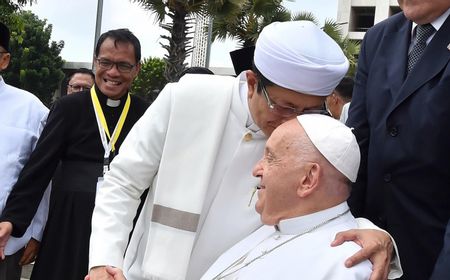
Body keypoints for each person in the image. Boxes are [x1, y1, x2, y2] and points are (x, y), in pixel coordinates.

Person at [88, 21, 399, 280]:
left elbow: (331, 197)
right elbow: (123, 182)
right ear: (252, 83)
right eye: (284, 106)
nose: (293, 121)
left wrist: (369, 230)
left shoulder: (314, 134)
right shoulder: (188, 97)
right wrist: (104, 260)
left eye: (308, 110)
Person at [0, 28, 149, 280]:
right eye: (105, 63)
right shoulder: (68, 108)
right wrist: (13, 219)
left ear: (137, 69)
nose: (113, 73)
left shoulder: (145, 113)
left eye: (124, 65)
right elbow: (39, 169)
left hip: (123, 228)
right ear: (95, 62)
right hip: (67, 226)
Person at [345, 1, 450, 279]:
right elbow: (357, 143)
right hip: (368, 242)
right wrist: (345, 225)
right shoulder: (378, 38)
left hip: (435, 250)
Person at [202, 115, 373, 279]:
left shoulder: (346, 268)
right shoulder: (279, 224)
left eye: (270, 158)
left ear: (308, 179)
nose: (256, 170)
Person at [0, 22, 50, 280]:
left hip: (4, 247)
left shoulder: (32, 110)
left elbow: (43, 177)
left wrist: (36, 233)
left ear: (4, 60)